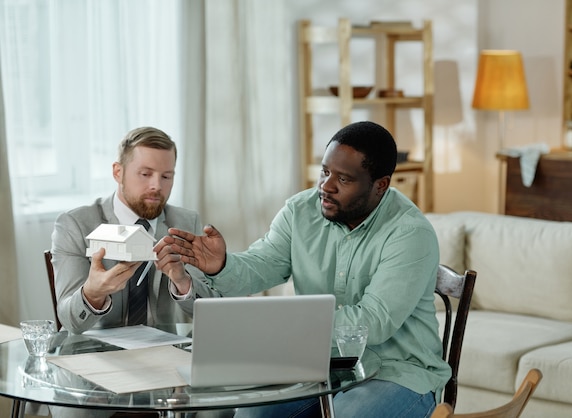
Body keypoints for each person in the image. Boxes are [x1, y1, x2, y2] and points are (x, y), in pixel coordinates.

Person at [156, 121, 451, 418]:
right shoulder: (300, 211)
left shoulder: (410, 233)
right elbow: (263, 264)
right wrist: (221, 265)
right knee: (251, 414)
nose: (326, 186)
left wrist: (287, 326)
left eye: (344, 179)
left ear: (380, 185)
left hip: (398, 372)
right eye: (325, 171)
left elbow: (374, 321)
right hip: (317, 366)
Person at [49, 127, 232, 418]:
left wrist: (181, 280)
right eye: (145, 174)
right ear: (118, 172)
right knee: (77, 414)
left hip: (166, 360)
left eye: (166, 176)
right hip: (96, 360)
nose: (156, 186)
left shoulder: (185, 222)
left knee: (219, 410)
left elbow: (209, 311)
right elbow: (70, 320)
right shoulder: (75, 225)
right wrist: (93, 293)